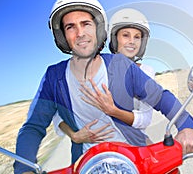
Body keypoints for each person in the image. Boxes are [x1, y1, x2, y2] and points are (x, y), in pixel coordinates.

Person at [14, 0, 193, 174]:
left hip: (135, 159)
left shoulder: (121, 65)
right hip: (86, 165)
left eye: (86, 24)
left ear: (97, 28)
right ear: (63, 35)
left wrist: (186, 126)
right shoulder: (54, 77)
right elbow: (33, 126)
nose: (80, 33)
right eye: (70, 27)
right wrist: (24, 169)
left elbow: (160, 97)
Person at [53, 8, 155, 144]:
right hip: (96, 151)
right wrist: (74, 135)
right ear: (114, 39)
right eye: (125, 35)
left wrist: (113, 111)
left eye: (137, 37)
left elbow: (145, 119)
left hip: (134, 144)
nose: (132, 41)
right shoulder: (96, 66)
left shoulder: (146, 72)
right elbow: (58, 112)